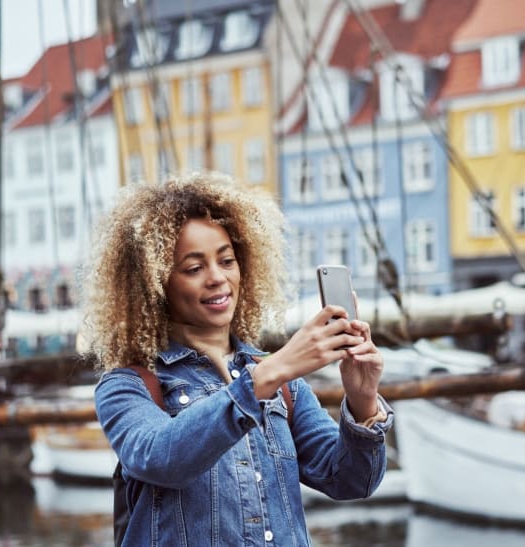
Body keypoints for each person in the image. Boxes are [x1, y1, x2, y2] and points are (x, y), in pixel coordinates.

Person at [85, 171, 393, 546]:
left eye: (227, 260)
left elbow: (350, 481)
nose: (217, 278)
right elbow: (161, 457)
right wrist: (271, 372)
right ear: (156, 283)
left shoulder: (285, 383)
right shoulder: (127, 386)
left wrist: (362, 401)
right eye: (194, 268)